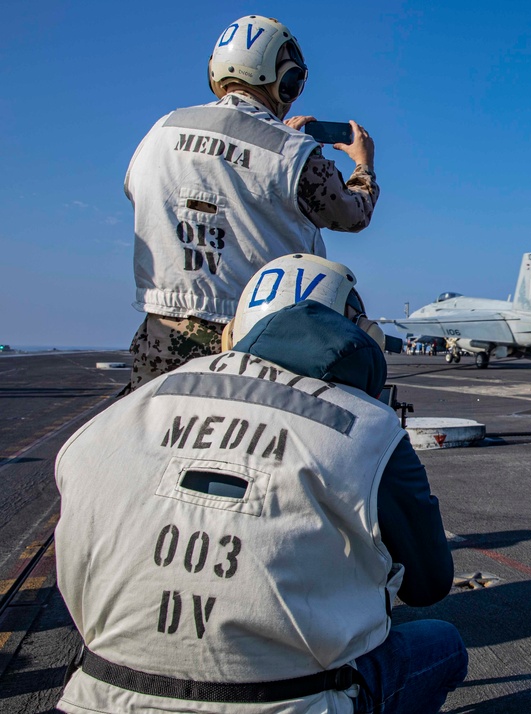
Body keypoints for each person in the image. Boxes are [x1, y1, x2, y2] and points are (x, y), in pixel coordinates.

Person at [55, 254, 467, 714]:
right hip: (294, 703)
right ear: (361, 334)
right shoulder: (371, 428)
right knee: (444, 644)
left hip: (96, 696)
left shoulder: (122, 415)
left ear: (232, 332)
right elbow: (428, 584)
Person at [125, 15, 380, 393]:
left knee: (155, 434)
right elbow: (353, 215)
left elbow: (142, 193)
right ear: (287, 81)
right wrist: (364, 164)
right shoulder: (292, 151)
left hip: (164, 329)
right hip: (258, 336)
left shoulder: (160, 131)